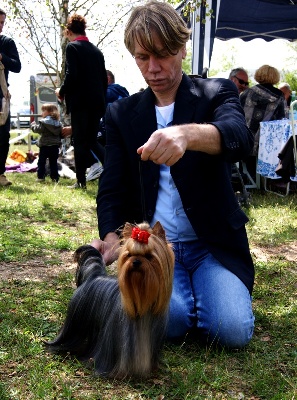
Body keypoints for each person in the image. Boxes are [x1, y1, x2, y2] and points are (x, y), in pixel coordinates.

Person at [91, 1, 255, 349]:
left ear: (183, 48)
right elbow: (112, 188)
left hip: (213, 246)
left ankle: (208, 294)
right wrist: (109, 237)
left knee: (232, 331)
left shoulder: (216, 92)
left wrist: (187, 135)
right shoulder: (121, 113)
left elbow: (239, 139)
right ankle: (188, 303)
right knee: (170, 323)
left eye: (163, 54)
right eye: (142, 57)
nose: (153, 68)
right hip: (155, 248)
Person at [55, 13, 107, 189]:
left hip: (81, 103)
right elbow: (103, 79)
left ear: (69, 31)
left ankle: (80, 182)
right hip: (97, 102)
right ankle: (115, 169)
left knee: (79, 140)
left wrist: (61, 91)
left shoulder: (73, 48)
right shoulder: (96, 51)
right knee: (92, 140)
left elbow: (72, 75)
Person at [240, 64, 286, 179]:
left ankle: (247, 178)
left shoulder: (246, 93)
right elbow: (282, 120)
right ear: (275, 77)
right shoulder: (279, 96)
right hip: (266, 144)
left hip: (244, 139)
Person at [0, 8, 21, 187]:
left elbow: (16, 66)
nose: (0, 26)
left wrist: (1, 57)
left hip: (1, 97)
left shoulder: (7, 42)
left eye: (2, 23)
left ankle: (0, 174)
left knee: (2, 136)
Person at [31, 103, 62, 183]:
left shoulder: (44, 122)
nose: (42, 113)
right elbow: (60, 133)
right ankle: (55, 178)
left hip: (45, 146)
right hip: (55, 146)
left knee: (41, 162)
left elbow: (38, 129)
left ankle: (41, 177)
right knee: (53, 163)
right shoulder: (58, 123)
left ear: (50, 112)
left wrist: (33, 125)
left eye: (44, 111)